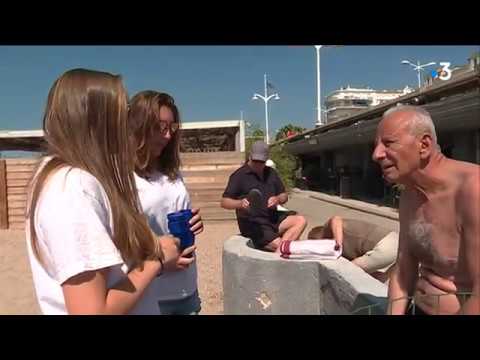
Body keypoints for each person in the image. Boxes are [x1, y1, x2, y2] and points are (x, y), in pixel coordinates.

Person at [26, 69, 188, 315]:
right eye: (123, 114)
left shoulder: (65, 178)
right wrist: (156, 260)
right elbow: (92, 311)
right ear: (97, 121)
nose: (128, 125)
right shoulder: (73, 188)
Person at [372, 105, 479, 315]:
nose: (376, 154)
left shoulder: (473, 190)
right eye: (376, 145)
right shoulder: (409, 196)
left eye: (388, 143)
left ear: (424, 145)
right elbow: (404, 269)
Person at [128, 90, 204, 315]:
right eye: (161, 127)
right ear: (139, 126)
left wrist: (195, 223)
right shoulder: (122, 178)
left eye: (172, 128)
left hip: (187, 288)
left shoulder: (173, 172)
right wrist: (160, 262)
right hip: (151, 294)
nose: (168, 135)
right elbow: (119, 239)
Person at [221, 141, 307, 252]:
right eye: (255, 161)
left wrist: (277, 199)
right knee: (286, 246)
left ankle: (282, 250)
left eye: (261, 161)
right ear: (250, 157)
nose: (258, 164)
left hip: (273, 217)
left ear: (266, 160)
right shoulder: (239, 176)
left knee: (301, 220)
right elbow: (224, 202)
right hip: (253, 223)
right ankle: (282, 250)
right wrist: (240, 203)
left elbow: (284, 195)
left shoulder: (271, 173)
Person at [307, 216, 398, 282]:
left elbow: (336, 219)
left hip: (384, 245)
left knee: (344, 272)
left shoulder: (328, 230)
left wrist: (338, 242)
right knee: (372, 278)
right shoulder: (345, 248)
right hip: (396, 241)